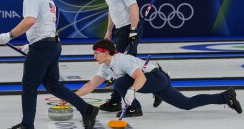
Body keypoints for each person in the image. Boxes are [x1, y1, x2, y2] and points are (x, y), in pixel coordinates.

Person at [0, 0, 99, 129]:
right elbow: (45, 24)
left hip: (43, 47)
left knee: (29, 86)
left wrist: (9, 35)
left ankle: (27, 125)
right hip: (52, 45)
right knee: (52, 85)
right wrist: (30, 45)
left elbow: (30, 20)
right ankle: (87, 109)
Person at [62, 39, 242, 118]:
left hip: (155, 77)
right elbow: (91, 85)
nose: (94, 57)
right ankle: (225, 96)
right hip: (156, 81)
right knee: (186, 104)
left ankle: (135, 109)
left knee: (120, 83)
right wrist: (72, 98)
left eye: (96, 53)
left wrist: (132, 93)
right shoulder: (105, 66)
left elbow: (139, 77)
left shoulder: (121, 60)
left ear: (106, 52)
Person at [93, 0, 162, 117]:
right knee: (130, 66)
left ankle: (117, 101)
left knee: (121, 65)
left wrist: (133, 30)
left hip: (129, 28)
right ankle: (158, 86)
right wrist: (109, 30)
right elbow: (112, 9)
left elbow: (134, 8)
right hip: (119, 29)